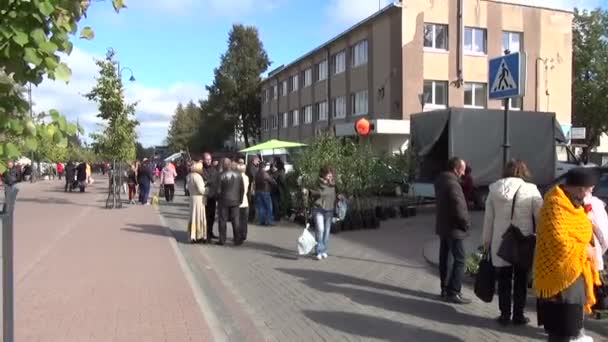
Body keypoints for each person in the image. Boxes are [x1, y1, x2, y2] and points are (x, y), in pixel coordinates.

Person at [535, 168, 601, 342]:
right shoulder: (555, 204)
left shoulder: (575, 204)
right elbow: (559, 243)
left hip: (575, 276)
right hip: (558, 281)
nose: (592, 191)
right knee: (561, 331)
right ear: (580, 188)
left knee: (570, 329)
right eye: (590, 188)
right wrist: (585, 250)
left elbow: (583, 229)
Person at [481, 160, 543, 326]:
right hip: (523, 242)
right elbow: (541, 217)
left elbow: (489, 219)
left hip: (500, 242)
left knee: (504, 280)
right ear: (523, 171)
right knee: (521, 280)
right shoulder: (531, 190)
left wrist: (486, 241)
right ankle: (518, 315)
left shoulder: (493, 190)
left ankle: (504, 315)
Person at [434, 157, 471, 304]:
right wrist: (466, 224)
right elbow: (459, 207)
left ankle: (445, 288)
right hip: (454, 228)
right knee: (460, 260)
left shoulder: (441, 181)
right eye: (462, 169)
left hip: (444, 226)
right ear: (456, 169)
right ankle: (454, 291)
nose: (463, 173)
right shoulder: (453, 184)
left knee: (445, 258)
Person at [303, 165, 337, 261]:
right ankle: (318, 250)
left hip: (329, 209)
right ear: (323, 174)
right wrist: (306, 192)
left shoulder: (333, 184)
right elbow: (311, 192)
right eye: (328, 174)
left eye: (331, 174)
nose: (330, 176)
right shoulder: (317, 183)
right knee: (320, 229)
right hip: (318, 209)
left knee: (326, 231)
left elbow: (336, 194)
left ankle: (324, 250)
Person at [217, 158, 244, 246]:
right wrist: (240, 199)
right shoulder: (239, 175)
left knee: (222, 220)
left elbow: (218, 190)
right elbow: (242, 189)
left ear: (224, 165)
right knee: (236, 220)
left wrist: (218, 199)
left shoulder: (221, 175)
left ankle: (222, 239)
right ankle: (237, 239)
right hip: (235, 200)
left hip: (224, 201)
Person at [186, 162, 207, 243]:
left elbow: (187, 187)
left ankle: (192, 234)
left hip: (192, 197)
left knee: (193, 216)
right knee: (199, 216)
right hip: (198, 199)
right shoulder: (197, 177)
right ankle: (199, 235)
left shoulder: (189, 176)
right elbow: (201, 190)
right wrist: (207, 189)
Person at [203, 153, 220, 240]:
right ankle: (205, 233)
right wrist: (210, 181)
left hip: (213, 195)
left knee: (212, 216)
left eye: (210, 159)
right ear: (204, 160)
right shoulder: (202, 169)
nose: (208, 161)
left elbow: (216, 179)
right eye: (207, 159)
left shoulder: (214, 169)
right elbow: (204, 181)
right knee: (205, 215)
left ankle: (210, 232)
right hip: (205, 196)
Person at [255, 162, 277, 226]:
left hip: (258, 191)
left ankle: (262, 221)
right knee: (269, 207)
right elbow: (272, 181)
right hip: (265, 191)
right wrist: (274, 182)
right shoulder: (265, 174)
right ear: (264, 167)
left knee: (261, 207)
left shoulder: (257, 174)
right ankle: (269, 221)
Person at [236, 161, 249, 242]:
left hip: (238, 201)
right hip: (245, 201)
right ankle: (244, 234)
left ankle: (239, 235)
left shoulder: (237, 178)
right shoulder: (246, 177)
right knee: (244, 220)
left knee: (238, 220)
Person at [246, 156, 260, 222]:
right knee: (252, 203)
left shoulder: (250, 167)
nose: (258, 162)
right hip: (251, 187)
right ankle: (251, 218)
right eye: (257, 161)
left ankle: (251, 217)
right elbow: (253, 177)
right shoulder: (252, 168)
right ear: (253, 161)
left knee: (252, 203)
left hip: (251, 187)